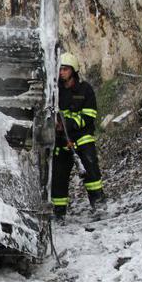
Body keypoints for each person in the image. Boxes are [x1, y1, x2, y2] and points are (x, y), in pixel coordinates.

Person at [51, 52, 105, 219]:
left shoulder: (85, 89)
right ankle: (59, 213)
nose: (61, 73)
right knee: (59, 177)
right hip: (61, 140)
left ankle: (99, 205)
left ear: (73, 70)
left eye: (65, 69)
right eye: (59, 69)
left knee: (91, 171)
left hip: (82, 137)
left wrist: (69, 123)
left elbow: (89, 115)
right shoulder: (54, 91)